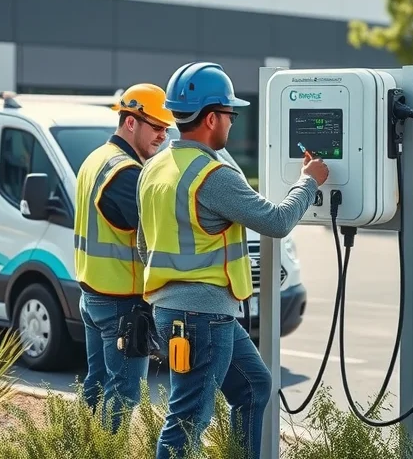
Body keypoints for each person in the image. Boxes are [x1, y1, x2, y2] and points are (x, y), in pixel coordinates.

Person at [136, 61, 329, 459]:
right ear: (210, 118)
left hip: (180, 311)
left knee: (256, 386)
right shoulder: (214, 173)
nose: (231, 122)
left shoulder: (153, 168)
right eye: (230, 114)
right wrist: (309, 180)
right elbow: (276, 221)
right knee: (188, 420)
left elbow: (144, 244)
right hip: (202, 317)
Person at [73, 83, 173, 430]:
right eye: (157, 127)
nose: (163, 135)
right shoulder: (126, 172)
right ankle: (103, 453)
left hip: (94, 294)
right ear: (131, 121)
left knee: (97, 386)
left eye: (167, 128)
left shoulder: (95, 159)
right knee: (124, 393)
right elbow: (156, 231)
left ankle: (80, 450)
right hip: (121, 303)